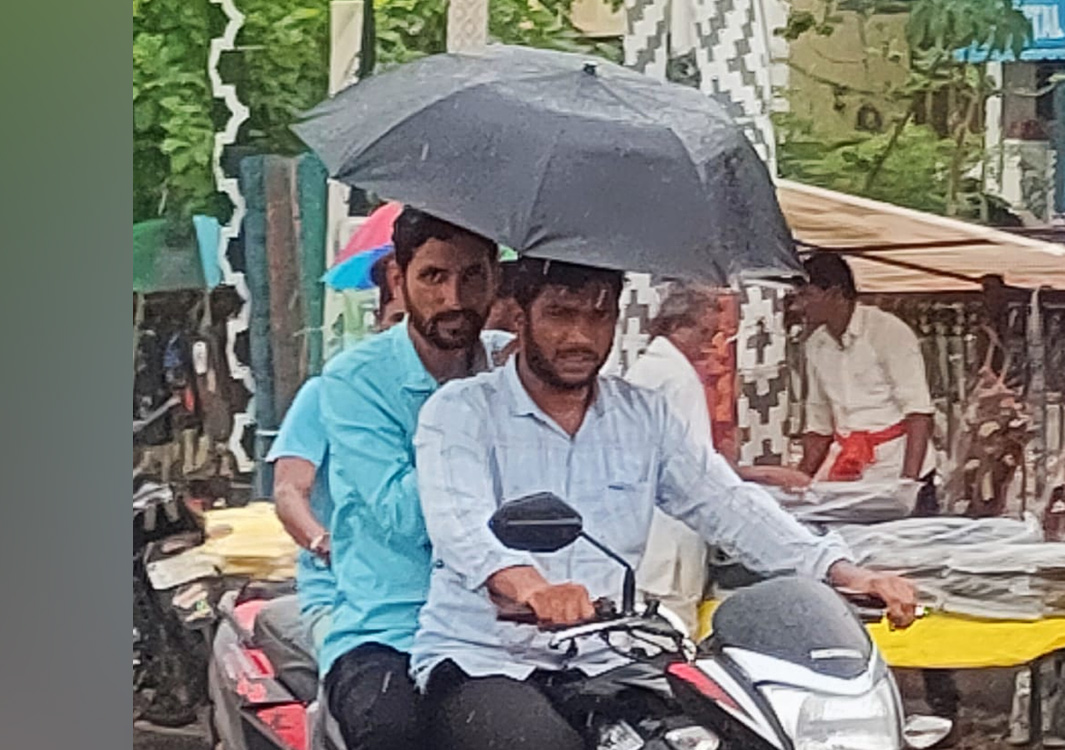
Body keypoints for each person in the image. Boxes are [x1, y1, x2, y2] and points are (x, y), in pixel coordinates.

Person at [408, 258, 919, 750]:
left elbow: (728, 503)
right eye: (561, 314)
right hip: (485, 659)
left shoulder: (643, 415)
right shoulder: (460, 411)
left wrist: (844, 572)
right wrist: (532, 586)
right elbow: (462, 526)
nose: (581, 337)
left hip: (609, 656)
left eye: (599, 315)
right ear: (521, 318)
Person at [318, 207, 513, 750]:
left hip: (504, 632)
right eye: (434, 277)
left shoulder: (515, 370)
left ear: (496, 280)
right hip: (389, 630)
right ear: (398, 282)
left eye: (472, 276)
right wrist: (468, 407)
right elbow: (404, 517)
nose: (454, 298)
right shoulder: (355, 381)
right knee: (393, 733)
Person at [792, 253, 959, 738]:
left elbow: (918, 414)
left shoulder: (889, 333)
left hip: (901, 476)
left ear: (833, 293)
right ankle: (862, 694)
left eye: (805, 293)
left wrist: (906, 488)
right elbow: (819, 425)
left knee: (920, 585)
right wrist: (801, 485)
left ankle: (943, 702)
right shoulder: (816, 347)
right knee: (853, 586)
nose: (799, 304)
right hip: (849, 482)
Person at [626, 283, 813, 631]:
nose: (709, 344)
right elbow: (688, 469)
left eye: (714, 334)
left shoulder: (668, 371)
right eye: (703, 332)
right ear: (674, 325)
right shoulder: (664, 375)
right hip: (665, 541)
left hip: (673, 537)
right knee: (667, 632)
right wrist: (763, 475)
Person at [264, 255, 407, 663]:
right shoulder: (329, 391)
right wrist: (322, 542)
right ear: (378, 322)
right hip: (341, 598)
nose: (407, 338)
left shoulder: (458, 397)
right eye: (397, 321)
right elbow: (289, 490)